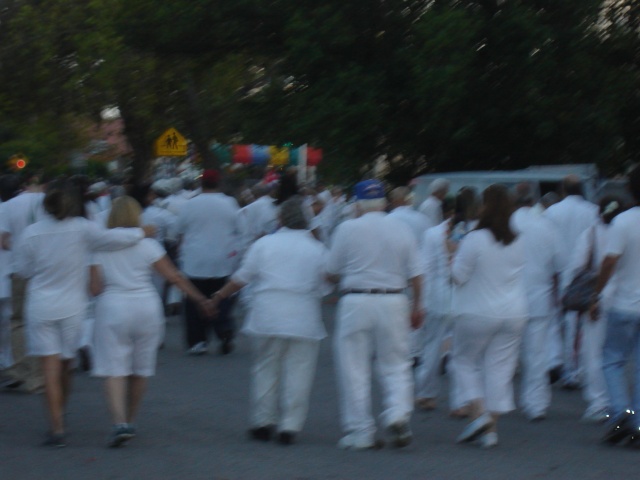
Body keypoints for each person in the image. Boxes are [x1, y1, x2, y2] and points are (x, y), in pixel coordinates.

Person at [13, 178, 154, 447]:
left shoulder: (31, 233)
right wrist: (142, 232)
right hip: (73, 307)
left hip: (41, 306)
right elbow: (114, 238)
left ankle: (56, 428)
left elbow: (23, 270)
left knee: (49, 369)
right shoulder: (82, 228)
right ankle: (61, 411)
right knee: (66, 366)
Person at [90, 196, 214, 447]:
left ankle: (119, 422)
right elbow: (174, 277)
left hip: (113, 307)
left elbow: (94, 288)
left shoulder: (99, 248)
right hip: (146, 307)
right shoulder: (149, 246)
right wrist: (200, 299)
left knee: (115, 369)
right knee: (140, 368)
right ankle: (132, 420)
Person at [211, 196, 330, 445]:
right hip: (303, 316)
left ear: (280, 218)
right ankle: (290, 426)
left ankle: (263, 422)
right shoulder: (317, 248)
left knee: (266, 368)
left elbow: (242, 278)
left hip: (267, 313)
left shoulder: (264, 244)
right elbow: (324, 286)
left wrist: (219, 296)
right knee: (299, 371)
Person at [327, 179, 423, 450]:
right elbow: (417, 273)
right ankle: (398, 413)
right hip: (394, 299)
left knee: (353, 367)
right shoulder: (402, 229)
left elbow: (331, 269)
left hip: (356, 300)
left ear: (357, 203)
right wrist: (419, 304)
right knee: (396, 364)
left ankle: (361, 431)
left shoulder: (347, 228)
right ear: (385, 202)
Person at [451, 184, 527, 448]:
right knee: (499, 369)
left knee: (464, 361)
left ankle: (480, 415)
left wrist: (451, 259)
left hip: (478, 310)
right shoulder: (518, 239)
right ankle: (490, 430)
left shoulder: (475, 238)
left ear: (485, 206)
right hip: (515, 312)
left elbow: (459, 276)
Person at [590, 165, 640, 445]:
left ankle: (620, 411)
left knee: (611, 360)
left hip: (624, 303)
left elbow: (609, 261)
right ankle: (638, 423)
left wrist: (597, 295)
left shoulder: (623, 221)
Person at [567, 197, 624, 424]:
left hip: (598, 300)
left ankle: (599, 403)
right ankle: (620, 402)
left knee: (593, 351)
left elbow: (576, 266)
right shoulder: (626, 231)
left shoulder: (590, 234)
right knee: (617, 355)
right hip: (625, 301)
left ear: (599, 213)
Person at [175, 169, 241, 355]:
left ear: (201, 183)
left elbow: (177, 229)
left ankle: (198, 341)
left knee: (194, 301)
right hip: (223, 258)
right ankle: (223, 328)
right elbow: (239, 229)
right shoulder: (230, 203)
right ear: (218, 183)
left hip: (195, 259)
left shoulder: (190, 205)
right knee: (221, 296)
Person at [511, 191, 562, 422]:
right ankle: (536, 404)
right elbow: (559, 264)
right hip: (540, 298)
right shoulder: (546, 226)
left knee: (502, 353)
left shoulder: (506, 224)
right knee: (537, 353)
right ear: (533, 202)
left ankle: (497, 401)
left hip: (509, 297)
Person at [544, 175, 599, 389]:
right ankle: (573, 369)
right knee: (578, 325)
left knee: (557, 320)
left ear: (563, 190)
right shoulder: (593, 211)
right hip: (585, 275)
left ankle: (557, 360)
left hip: (558, 273)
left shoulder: (551, 212)